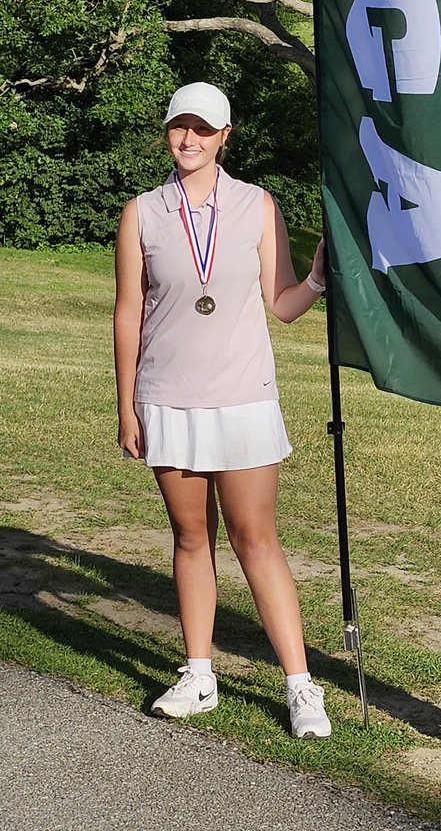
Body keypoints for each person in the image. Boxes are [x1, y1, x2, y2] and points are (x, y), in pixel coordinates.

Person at [114, 81, 331, 739]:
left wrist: (319, 280)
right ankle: (199, 673)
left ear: (225, 136)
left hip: (243, 398)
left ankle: (300, 686)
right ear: (168, 131)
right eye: (180, 126)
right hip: (168, 397)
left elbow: (282, 302)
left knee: (256, 540)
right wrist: (127, 406)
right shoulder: (143, 212)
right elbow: (129, 312)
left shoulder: (258, 206)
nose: (189, 139)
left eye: (203, 129)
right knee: (189, 538)